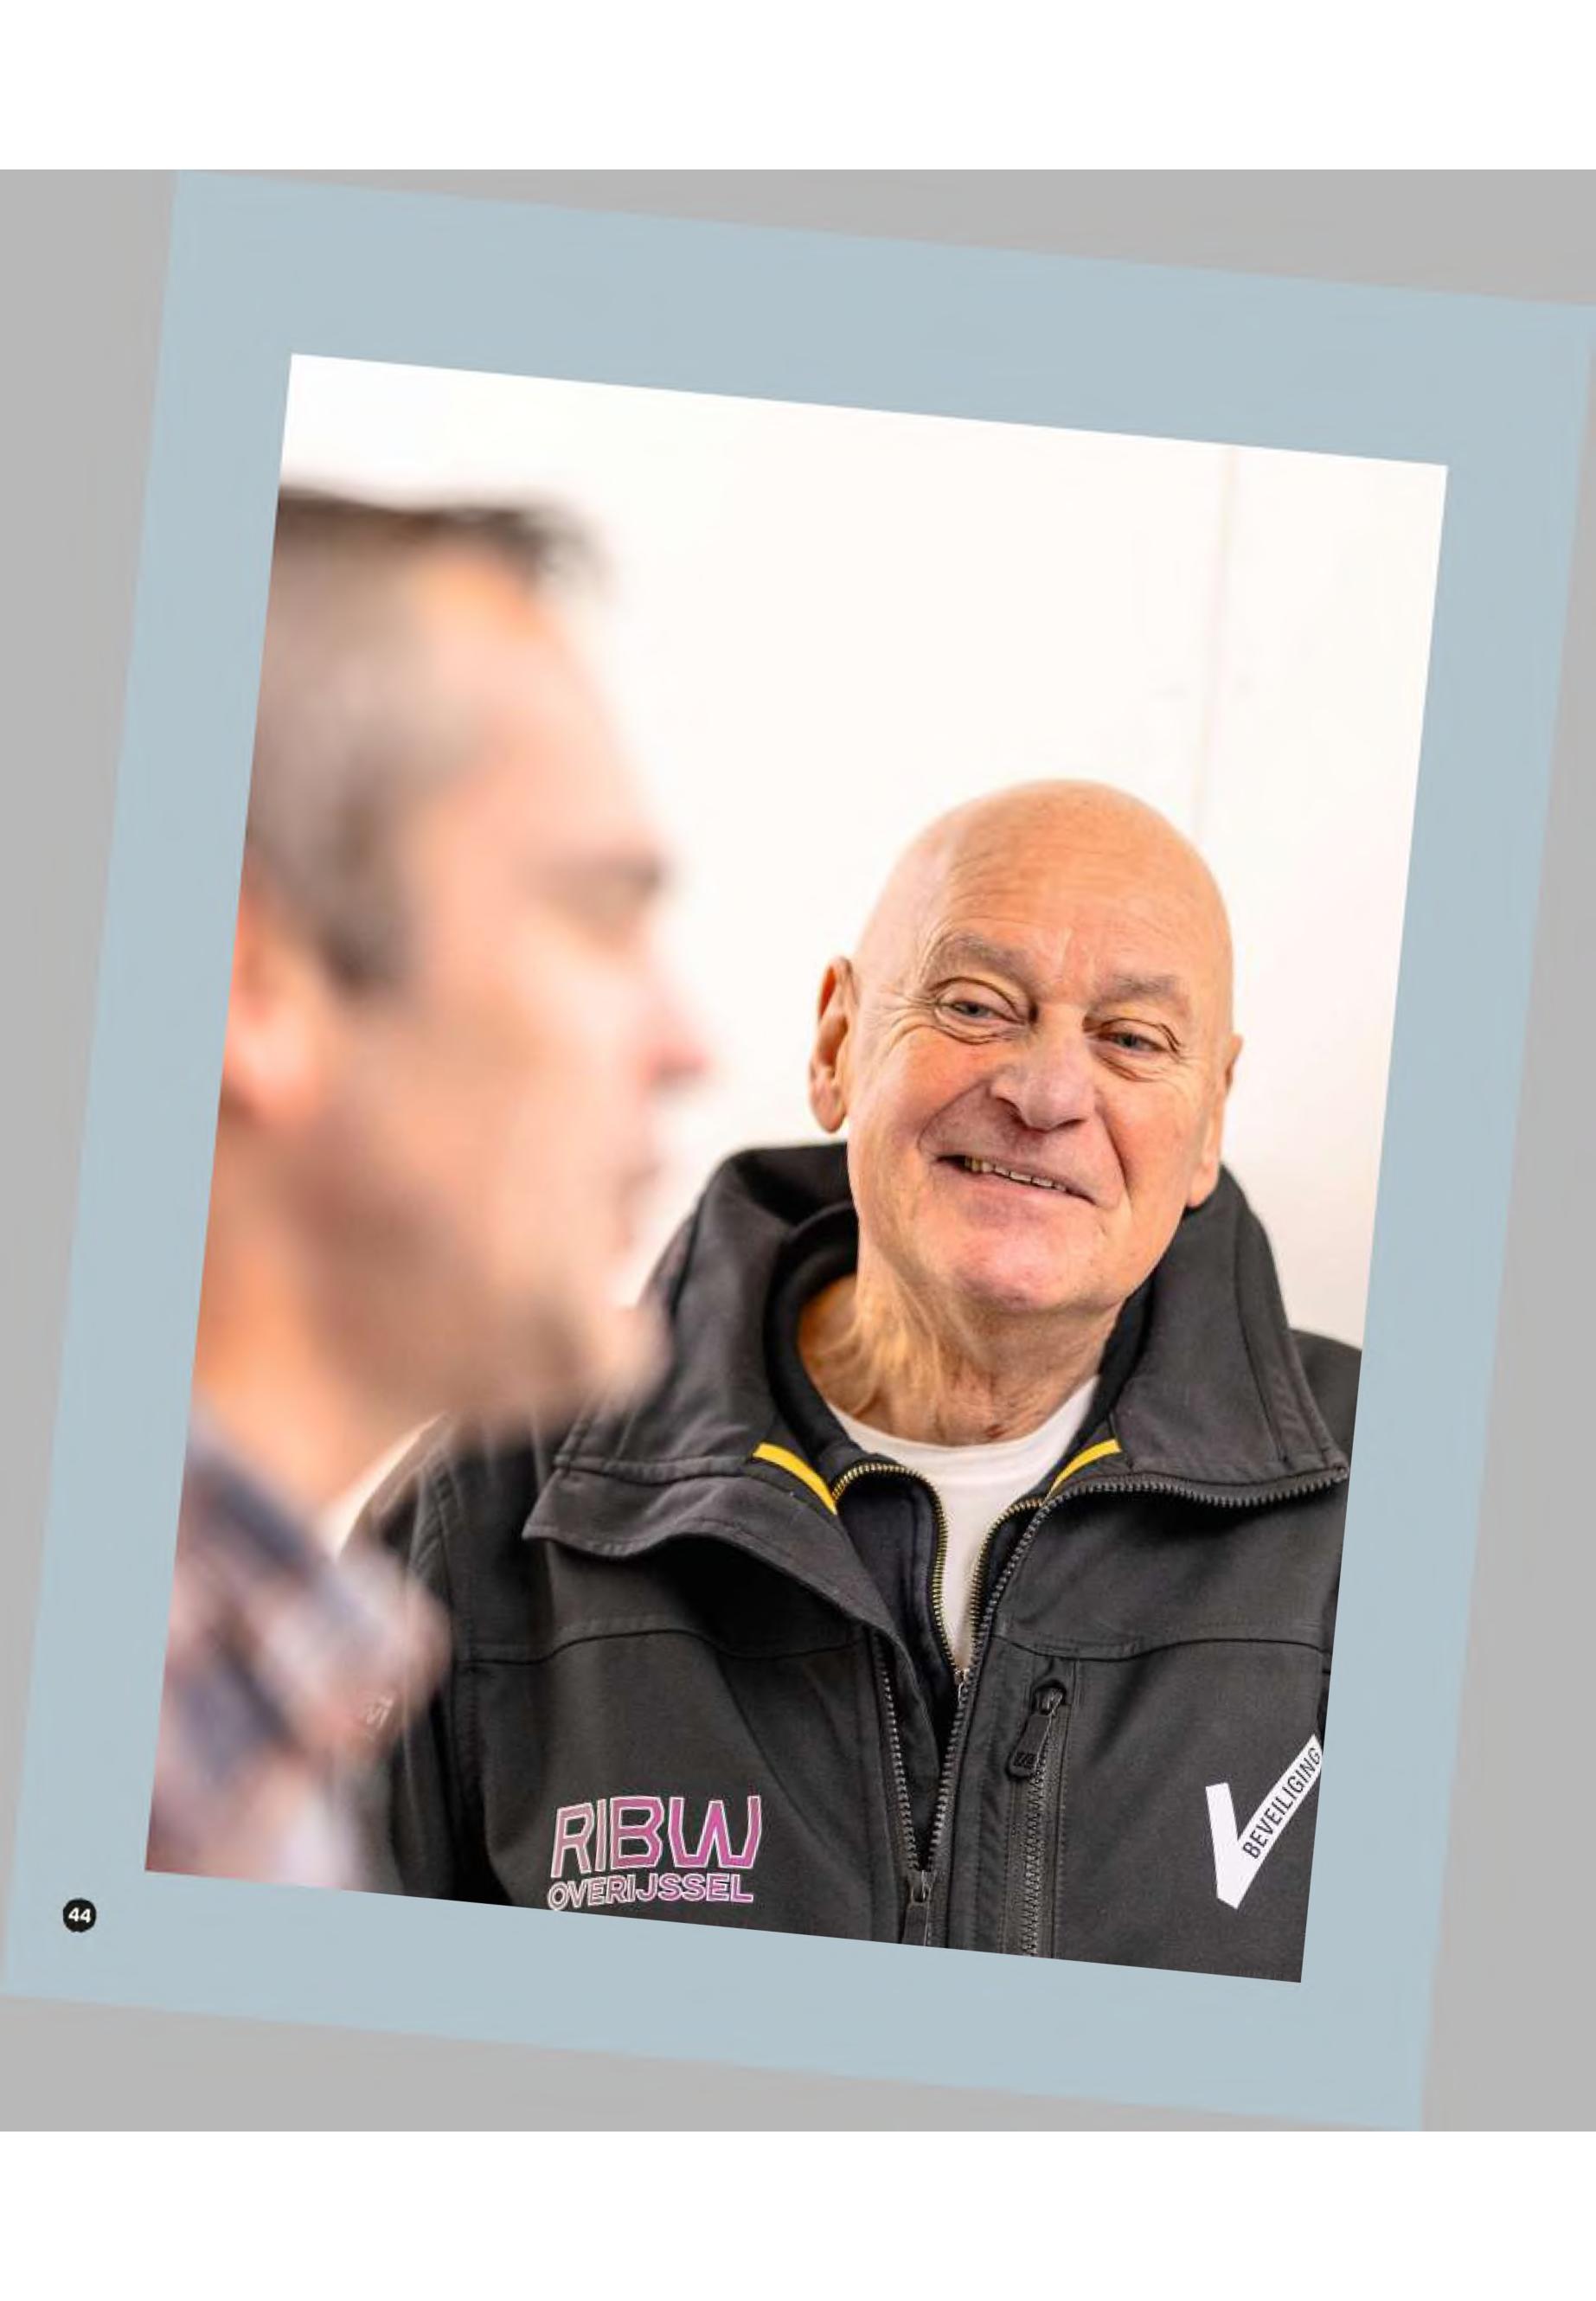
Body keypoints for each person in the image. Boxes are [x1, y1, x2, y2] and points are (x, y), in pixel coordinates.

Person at [372, 781, 1356, 1979]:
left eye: (1133, 1039)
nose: (1048, 1093)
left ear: (1208, 1123)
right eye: (977, 1006)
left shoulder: (1400, 1516)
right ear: (837, 1043)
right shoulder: (495, 1490)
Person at [148, 490, 705, 1887]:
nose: (687, 1044)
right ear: (252, 984)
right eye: (596, 914)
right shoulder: (142, 1766)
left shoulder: (238, 1730)